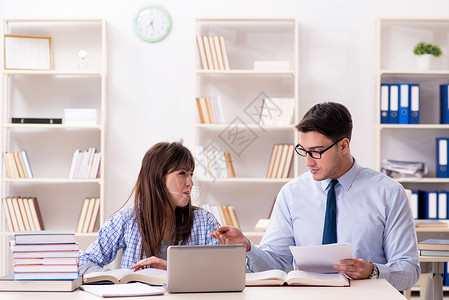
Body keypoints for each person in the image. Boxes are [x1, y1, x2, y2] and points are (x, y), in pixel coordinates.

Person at [211, 102, 420, 291]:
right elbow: (275, 266)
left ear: (343, 145)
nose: (308, 162)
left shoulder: (388, 193)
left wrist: (373, 271)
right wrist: (247, 247)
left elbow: (409, 271)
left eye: (317, 151)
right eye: (304, 151)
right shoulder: (292, 194)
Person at [79, 141, 219, 274]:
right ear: (158, 177)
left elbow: (223, 271)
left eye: (191, 174)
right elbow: (84, 262)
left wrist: (173, 270)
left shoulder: (203, 221)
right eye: (182, 173)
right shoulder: (125, 220)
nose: (190, 182)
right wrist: (116, 280)